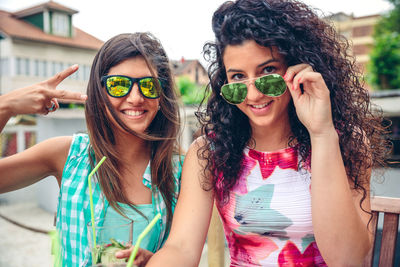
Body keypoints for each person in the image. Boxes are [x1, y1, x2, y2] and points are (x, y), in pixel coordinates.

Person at [145, 0, 389, 266]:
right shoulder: (209, 152)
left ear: (297, 68)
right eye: (238, 77)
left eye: (268, 71)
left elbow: (348, 260)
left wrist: (321, 133)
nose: (254, 94)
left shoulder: (344, 142)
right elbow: (181, 247)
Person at [0, 32, 183, 267]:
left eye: (149, 85)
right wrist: (6, 106)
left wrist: (156, 261)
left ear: (162, 95)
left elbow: (183, 251)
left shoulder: (181, 170)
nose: (136, 98)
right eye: (118, 85)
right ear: (99, 91)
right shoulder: (69, 155)